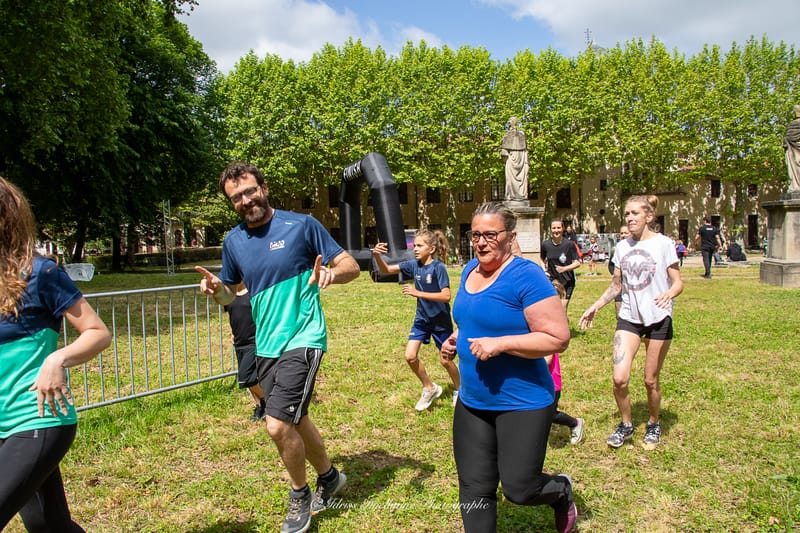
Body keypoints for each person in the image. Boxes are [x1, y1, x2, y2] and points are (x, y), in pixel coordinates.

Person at [195, 162, 360, 533]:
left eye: (250, 191)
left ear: (264, 187)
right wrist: (215, 290)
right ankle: (330, 477)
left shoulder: (301, 225)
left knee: (276, 423)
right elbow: (231, 292)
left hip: (303, 337)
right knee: (295, 418)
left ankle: (299, 496)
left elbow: (350, 264)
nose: (245, 200)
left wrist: (334, 273)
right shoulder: (234, 241)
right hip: (266, 343)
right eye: (236, 197)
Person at [440, 202, 576, 533]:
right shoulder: (470, 270)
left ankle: (561, 491)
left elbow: (558, 338)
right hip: (473, 401)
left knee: (520, 488)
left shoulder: (525, 275)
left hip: (523, 400)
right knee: (474, 487)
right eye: (475, 235)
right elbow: (475, 318)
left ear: (510, 236)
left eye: (490, 234)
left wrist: (500, 345)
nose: (481, 242)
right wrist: (458, 337)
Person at [0, 176, 112, 531]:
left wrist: (56, 359)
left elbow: (97, 332)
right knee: (49, 526)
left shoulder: (39, 272)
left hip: (36, 420)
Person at [579, 195, 683, 451]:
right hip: (629, 318)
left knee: (650, 380)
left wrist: (669, 293)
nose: (630, 218)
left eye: (635, 213)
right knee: (619, 379)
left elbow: (678, 282)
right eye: (627, 214)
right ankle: (626, 424)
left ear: (648, 216)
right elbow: (617, 285)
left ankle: (653, 422)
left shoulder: (664, 244)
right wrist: (596, 306)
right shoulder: (622, 247)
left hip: (659, 318)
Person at [371, 230, 460, 410]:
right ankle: (430, 387)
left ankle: (460, 390)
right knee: (410, 356)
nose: (415, 249)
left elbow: (446, 296)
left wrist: (417, 292)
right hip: (422, 319)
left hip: (440, 321)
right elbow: (386, 270)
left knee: (446, 361)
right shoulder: (413, 265)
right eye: (415, 245)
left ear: (432, 248)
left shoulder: (438, 268)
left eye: (420, 246)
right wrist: (377, 256)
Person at [546, 280, 584, 445]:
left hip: (550, 382)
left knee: (550, 415)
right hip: (538, 381)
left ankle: (575, 423)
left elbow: (546, 359)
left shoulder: (553, 326)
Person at [224, 284, 267, 422]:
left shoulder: (254, 291)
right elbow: (230, 314)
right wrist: (232, 332)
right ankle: (260, 406)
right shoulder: (229, 295)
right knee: (249, 381)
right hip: (239, 341)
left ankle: (268, 401)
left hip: (253, 341)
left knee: (246, 378)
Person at [540, 219, 581, 311]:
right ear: (550, 229)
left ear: (563, 229)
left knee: (562, 308)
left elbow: (577, 262)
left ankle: (564, 325)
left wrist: (565, 268)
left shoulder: (569, 244)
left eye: (558, 228)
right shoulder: (546, 244)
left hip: (567, 281)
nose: (556, 230)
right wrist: (544, 271)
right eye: (554, 228)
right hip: (552, 281)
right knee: (553, 308)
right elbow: (541, 258)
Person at [500, 117, 529, 201]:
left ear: (513, 122)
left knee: (510, 178)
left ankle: (512, 195)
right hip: (521, 157)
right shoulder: (521, 135)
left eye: (510, 121)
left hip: (512, 157)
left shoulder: (508, 134)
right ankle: (519, 194)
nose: (508, 122)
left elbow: (504, 152)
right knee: (520, 178)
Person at [608, 225, 631, 316]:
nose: (623, 235)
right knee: (619, 314)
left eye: (626, 233)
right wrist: (616, 275)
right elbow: (611, 266)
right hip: (619, 285)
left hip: (632, 287)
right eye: (621, 233)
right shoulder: (616, 249)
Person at [783, 104, 800, 192]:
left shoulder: (792, 125)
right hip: (795, 151)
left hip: (794, 152)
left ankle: (796, 186)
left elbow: (788, 139)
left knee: (795, 168)